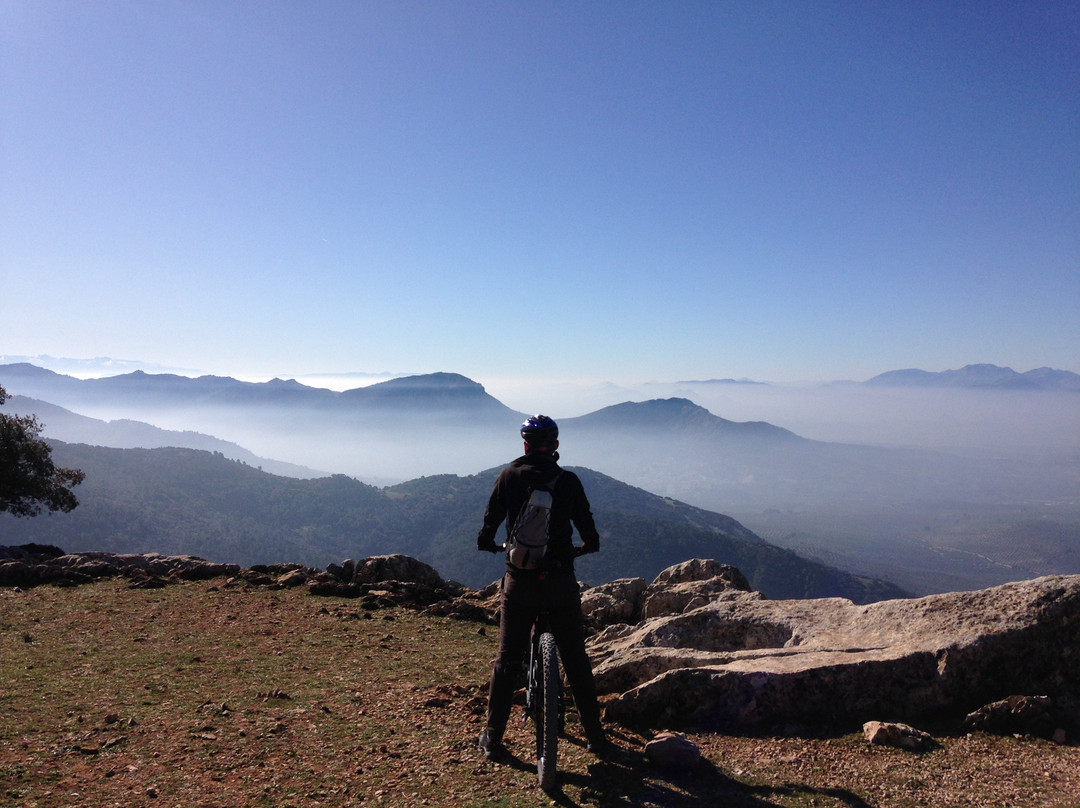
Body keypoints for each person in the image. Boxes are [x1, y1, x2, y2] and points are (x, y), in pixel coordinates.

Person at [475, 414, 609, 760]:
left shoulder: (508, 477)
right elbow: (587, 527)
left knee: (507, 661)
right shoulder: (568, 481)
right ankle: (595, 738)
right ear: (556, 447)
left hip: (520, 582)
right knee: (576, 659)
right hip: (560, 579)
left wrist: (489, 543)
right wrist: (589, 545)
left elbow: (490, 524)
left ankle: (493, 738)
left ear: (525, 446)